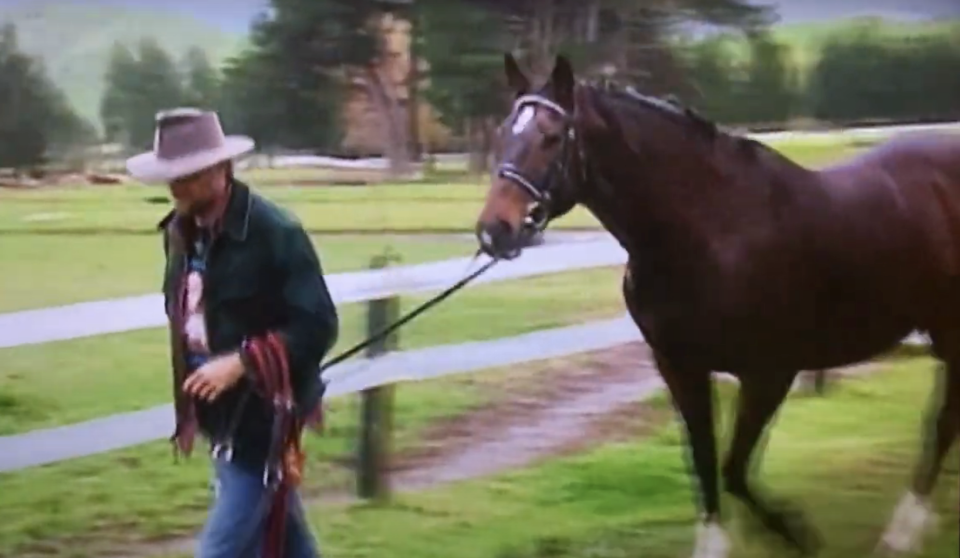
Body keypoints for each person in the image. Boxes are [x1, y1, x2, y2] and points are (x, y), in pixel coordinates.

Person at [126, 107, 340, 558]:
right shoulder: (180, 235)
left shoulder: (276, 233)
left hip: (266, 417)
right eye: (171, 174)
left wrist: (242, 362)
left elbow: (317, 325)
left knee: (221, 550)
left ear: (221, 169)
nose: (175, 185)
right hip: (216, 417)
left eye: (186, 174)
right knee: (282, 540)